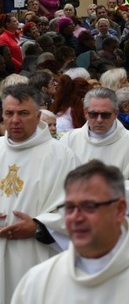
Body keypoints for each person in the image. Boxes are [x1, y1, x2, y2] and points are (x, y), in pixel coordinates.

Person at [11, 160, 129, 303]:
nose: (76, 217)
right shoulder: (39, 282)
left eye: (89, 206)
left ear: (120, 209)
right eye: (69, 207)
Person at [0, 85, 80, 303]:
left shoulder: (62, 157)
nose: (15, 119)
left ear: (38, 116)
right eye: (9, 113)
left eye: (23, 113)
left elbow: (79, 209)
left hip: (37, 255)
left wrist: (39, 227)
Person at [59, 88, 129, 246]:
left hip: (116, 229)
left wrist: (102, 190)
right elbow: (57, 183)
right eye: (93, 114)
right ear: (85, 113)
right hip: (77, 226)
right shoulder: (68, 141)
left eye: (105, 114)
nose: (99, 120)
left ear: (116, 113)